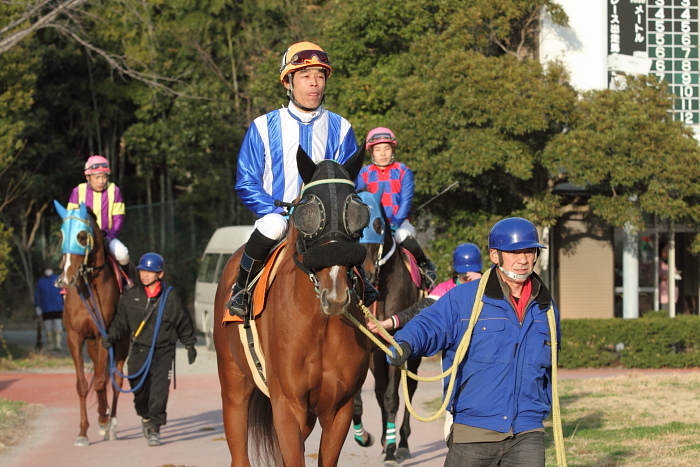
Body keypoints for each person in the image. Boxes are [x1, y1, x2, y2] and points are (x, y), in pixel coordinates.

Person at [387, 217, 561, 467]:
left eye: (529, 251)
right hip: (474, 432)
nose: (523, 260)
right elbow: (429, 324)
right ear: (494, 255)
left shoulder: (546, 309)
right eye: (514, 252)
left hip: (528, 432)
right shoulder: (464, 299)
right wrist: (405, 343)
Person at [227, 40, 377, 317]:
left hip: (328, 223)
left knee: (355, 231)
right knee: (271, 227)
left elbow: (348, 182)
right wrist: (275, 210)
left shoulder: (341, 127)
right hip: (280, 217)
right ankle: (241, 291)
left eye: (320, 76)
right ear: (288, 83)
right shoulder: (262, 126)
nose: (314, 83)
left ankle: (364, 286)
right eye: (306, 76)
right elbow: (246, 181)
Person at [102, 252, 197, 447]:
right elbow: (121, 321)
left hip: (163, 351)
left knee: (159, 392)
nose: (144, 274)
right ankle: (145, 416)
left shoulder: (170, 297)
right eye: (142, 270)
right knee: (139, 391)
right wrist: (111, 335)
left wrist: (189, 344)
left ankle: (155, 427)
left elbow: (183, 321)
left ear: (160, 274)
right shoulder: (131, 296)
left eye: (149, 271)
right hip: (139, 351)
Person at [355, 127, 436, 287]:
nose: (383, 153)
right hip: (372, 225)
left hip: (397, 223)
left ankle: (426, 267)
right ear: (372, 153)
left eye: (387, 148)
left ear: (393, 150)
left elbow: (406, 202)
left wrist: (394, 224)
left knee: (403, 235)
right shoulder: (363, 174)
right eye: (378, 150)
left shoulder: (404, 171)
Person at [367, 242, 482, 333]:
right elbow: (416, 311)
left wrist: (483, 284)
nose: (468, 280)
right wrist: (386, 324)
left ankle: (424, 265)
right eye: (464, 276)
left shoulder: (488, 285)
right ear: (457, 272)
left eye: (473, 274)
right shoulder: (444, 290)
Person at [67, 155, 135, 286]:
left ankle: (128, 283)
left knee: (123, 254)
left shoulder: (114, 190)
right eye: (97, 177)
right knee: (69, 254)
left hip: (107, 237)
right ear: (88, 177)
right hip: (83, 239)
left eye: (104, 177)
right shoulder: (78, 191)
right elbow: (71, 218)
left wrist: (110, 237)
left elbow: (118, 218)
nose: (101, 181)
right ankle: (65, 284)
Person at [34, 264, 64, 351]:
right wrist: (37, 306)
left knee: (58, 326)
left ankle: (58, 344)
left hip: (58, 307)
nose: (48, 271)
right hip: (45, 308)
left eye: (49, 269)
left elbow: (63, 292)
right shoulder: (41, 282)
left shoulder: (57, 279)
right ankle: (51, 344)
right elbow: (37, 295)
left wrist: (64, 303)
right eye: (46, 269)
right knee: (48, 327)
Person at [659, 241, 681, 312]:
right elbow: (651, 276)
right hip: (662, 291)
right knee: (663, 311)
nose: (666, 252)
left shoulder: (670, 261)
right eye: (664, 250)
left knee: (672, 310)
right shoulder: (658, 262)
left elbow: (674, 271)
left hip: (671, 290)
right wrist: (663, 277)